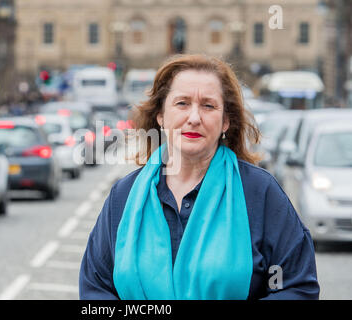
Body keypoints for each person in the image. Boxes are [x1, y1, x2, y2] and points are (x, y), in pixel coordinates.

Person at [79, 54, 319, 300]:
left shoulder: (259, 192)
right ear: (161, 116)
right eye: (182, 103)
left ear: (225, 121)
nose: (194, 118)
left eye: (208, 105)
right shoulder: (123, 195)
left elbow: (296, 287)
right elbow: (96, 289)